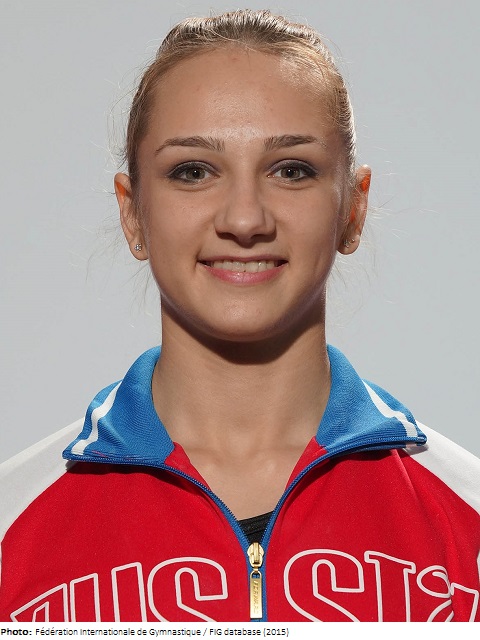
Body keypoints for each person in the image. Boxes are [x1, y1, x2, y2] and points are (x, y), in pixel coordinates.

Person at [1, 9, 479, 624]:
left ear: (353, 210)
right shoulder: (11, 528)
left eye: (292, 171)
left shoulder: (467, 523)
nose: (246, 219)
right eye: (193, 172)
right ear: (132, 213)